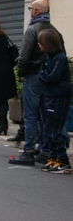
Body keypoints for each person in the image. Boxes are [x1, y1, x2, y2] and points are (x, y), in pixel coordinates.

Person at [9, 0, 64, 166]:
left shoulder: (32, 30)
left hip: (33, 76)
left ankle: (28, 152)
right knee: (45, 115)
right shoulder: (55, 31)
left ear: (35, 11)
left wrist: (21, 73)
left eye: (30, 9)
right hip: (49, 78)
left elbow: (24, 56)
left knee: (31, 115)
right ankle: (45, 150)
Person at [36, 29, 71, 174]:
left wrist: (44, 75)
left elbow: (51, 77)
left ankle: (63, 161)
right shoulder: (48, 57)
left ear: (48, 43)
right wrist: (45, 75)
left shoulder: (60, 57)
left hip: (59, 97)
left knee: (54, 130)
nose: (38, 45)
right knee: (48, 129)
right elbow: (42, 74)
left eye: (41, 42)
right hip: (49, 95)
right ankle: (54, 157)